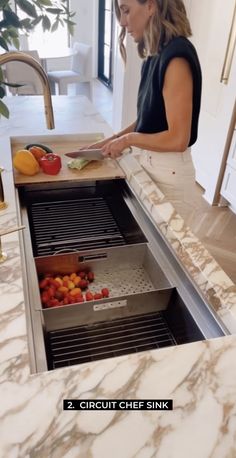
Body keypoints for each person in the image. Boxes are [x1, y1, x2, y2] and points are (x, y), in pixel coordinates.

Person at [92, 0, 202, 205]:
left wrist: (127, 141)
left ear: (151, 6)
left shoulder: (176, 57)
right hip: (152, 164)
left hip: (170, 174)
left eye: (126, 11)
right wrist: (111, 140)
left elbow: (178, 139)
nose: (123, 22)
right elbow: (147, 120)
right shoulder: (156, 53)